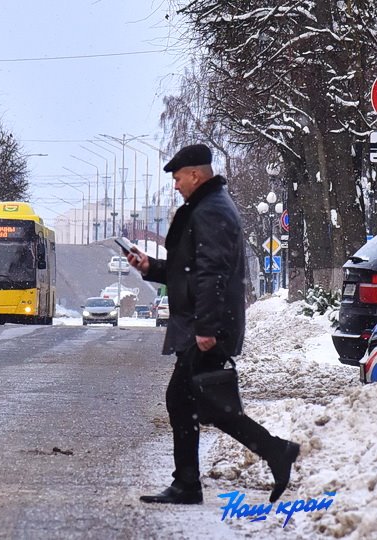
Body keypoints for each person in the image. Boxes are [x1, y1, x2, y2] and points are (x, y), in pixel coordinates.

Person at [127, 144, 298, 505]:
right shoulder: (208, 206)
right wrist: (150, 267)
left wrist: (207, 327)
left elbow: (213, 273)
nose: (175, 185)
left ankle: (270, 453)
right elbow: (187, 270)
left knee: (200, 403)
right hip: (200, 323)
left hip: (205, 326)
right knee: (193, 402)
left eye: (177, 178)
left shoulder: (211, 210)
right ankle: (196, 480)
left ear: (194, 174)